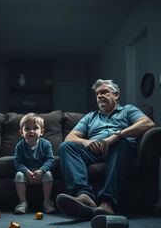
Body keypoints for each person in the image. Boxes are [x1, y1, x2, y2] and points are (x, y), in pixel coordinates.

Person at [56, 79, 155, 219]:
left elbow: (148, 123)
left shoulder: (128, 110)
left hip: (120, 149)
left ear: (116, 95)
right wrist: (87, 142)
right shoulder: (90, 117)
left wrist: (118, 135)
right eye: (97, 94)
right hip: (94, 151)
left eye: (104, 92)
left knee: (123, 142)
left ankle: (107, 203)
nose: (100, 96)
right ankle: (84, 196)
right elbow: (70, 137)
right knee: (66, 146)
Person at [13, 113, 56, 214]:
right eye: (27, 128)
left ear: (42, 132)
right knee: (18, 175)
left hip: (41, 173)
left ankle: (46, 202)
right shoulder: (20, 146)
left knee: (48, 174)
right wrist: (26, 172)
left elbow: (50, 160)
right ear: (21, 132)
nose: (31, 131)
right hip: (27, 174)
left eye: (35, 128)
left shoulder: (46, 144)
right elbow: (17, 162)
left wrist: (41, 170)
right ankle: (23, 203)